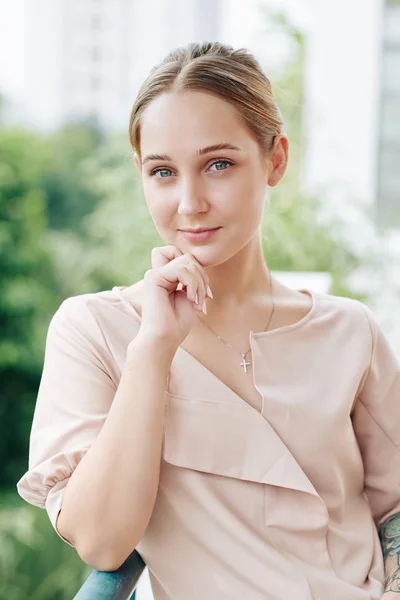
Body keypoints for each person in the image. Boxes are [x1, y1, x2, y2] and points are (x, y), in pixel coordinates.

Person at [16, 41, 400, 600]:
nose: (190, 202)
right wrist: (153, 348)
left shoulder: (350, 332)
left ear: (275, 160)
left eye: (218, 164)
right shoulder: (94, 330)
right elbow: (102, 543)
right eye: (163, 171)